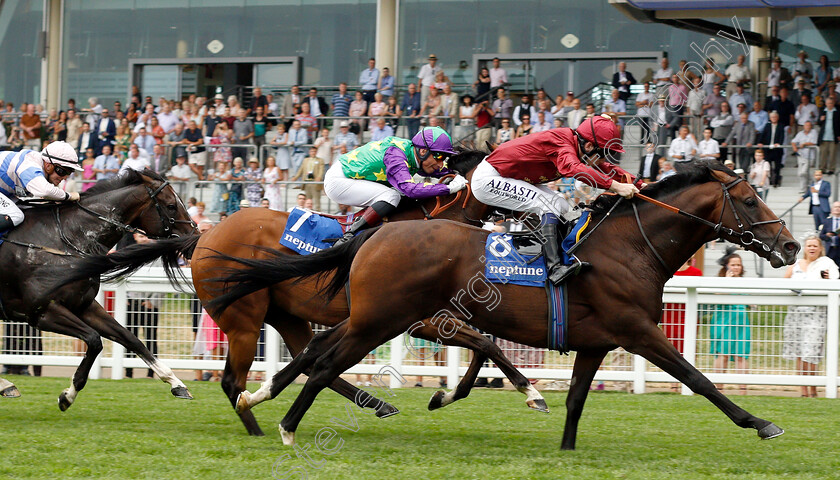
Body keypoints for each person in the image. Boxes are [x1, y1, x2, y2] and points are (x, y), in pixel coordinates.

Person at [472, 114, 640, 285]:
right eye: (606, 153)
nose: (605, 158)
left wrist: (640, 184)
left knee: (562, 206)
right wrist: (615, 186)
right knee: (550, 204)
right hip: (489, 179)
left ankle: (561, 256)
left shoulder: (579, 146)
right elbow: (573, 168)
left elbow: (606, 168)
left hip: (508, 177)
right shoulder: (562, 143)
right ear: (589, 145)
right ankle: (554, 268)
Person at [324, 126, 466, 244]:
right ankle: (348, 238)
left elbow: (436, 170)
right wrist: (448, 188)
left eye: (444, 157)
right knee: (392, 196)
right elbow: (410, 189)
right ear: (423, 151)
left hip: (354, 177)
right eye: (438, 156)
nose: (441, 163)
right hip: (339, 181)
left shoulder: (413, 153)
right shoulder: (396, 155)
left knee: (399, 197)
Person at [783, 235, 839, 398]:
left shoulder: (827, 263)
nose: (812, 248)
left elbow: (836, 280)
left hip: (816, 314)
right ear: (804, 248)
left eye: (815, 245)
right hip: (795, 313)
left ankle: (813, 390)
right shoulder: (795, 264)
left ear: (820, 248)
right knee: (799, 352)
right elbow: (784, 283)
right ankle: (803, 391)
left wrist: (829, 279)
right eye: (809, 246)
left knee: (812, 352)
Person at [0, 141, 82, 232]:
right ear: (48, 166)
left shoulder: (37, 165)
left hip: (5, 192)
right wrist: (69, 196)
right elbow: (45, 191)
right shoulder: (30, 165)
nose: (65, 177)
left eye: (69, 173)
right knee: (16, 216)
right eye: (62, 171)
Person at [710, 249, 750, 394]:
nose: (736, 267)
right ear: (726, 266)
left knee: (741, 354)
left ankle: (743, 390)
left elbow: (750, 301)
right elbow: (716, 294)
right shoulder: (720, 281)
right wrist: (727, 281)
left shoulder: (745, 282)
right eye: (733, 265)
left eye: (738, 265)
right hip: (724, 322)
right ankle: (719, 389)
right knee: (723, 354)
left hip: (741, 322)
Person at [291, 147, 326, 211]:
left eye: (314, 151)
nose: (313, 153)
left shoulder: (320, 160)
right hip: (307, 182)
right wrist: (296, 177)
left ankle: (317, 214)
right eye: (312, 151)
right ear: (309, 152)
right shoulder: (306, 160)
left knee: (316, 201)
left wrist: (319, 177)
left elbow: (321, 170)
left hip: (315, 182)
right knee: (307, 200)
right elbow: (301, 169)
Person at [792, 121, 818, 194]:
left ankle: (810, 184)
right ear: (804, 126)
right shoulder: (800, 133)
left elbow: (814, 142)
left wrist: (805, 144)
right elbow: (793, 141)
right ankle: (805, 187)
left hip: (810, 156)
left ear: (811, 126)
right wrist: (794, 147)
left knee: (803, 172)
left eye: (809, 125)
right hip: (801, 155)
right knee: (800, 173)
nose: (807, 127)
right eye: (806, 125)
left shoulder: (814, 132)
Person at [818, 97, 839, 175]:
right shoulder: (823, 111)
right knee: (823, 153)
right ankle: (822, 168)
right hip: (824, 136)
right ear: (826, 104)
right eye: (828, 103)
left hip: (833, 136)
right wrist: (821, 119)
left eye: (831, 103)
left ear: (833, 104)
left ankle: (831, 169)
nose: (830, 105)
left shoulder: (837, 112)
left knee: (833, 154)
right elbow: (818, 123)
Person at [819, 201, 840, 267]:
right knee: (828, 267)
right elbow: (821, 236)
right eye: (835, 207)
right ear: (832, 210)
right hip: (830, 249)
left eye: (839, 207)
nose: (837, 208)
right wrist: (827, 235)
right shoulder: (827, 221)